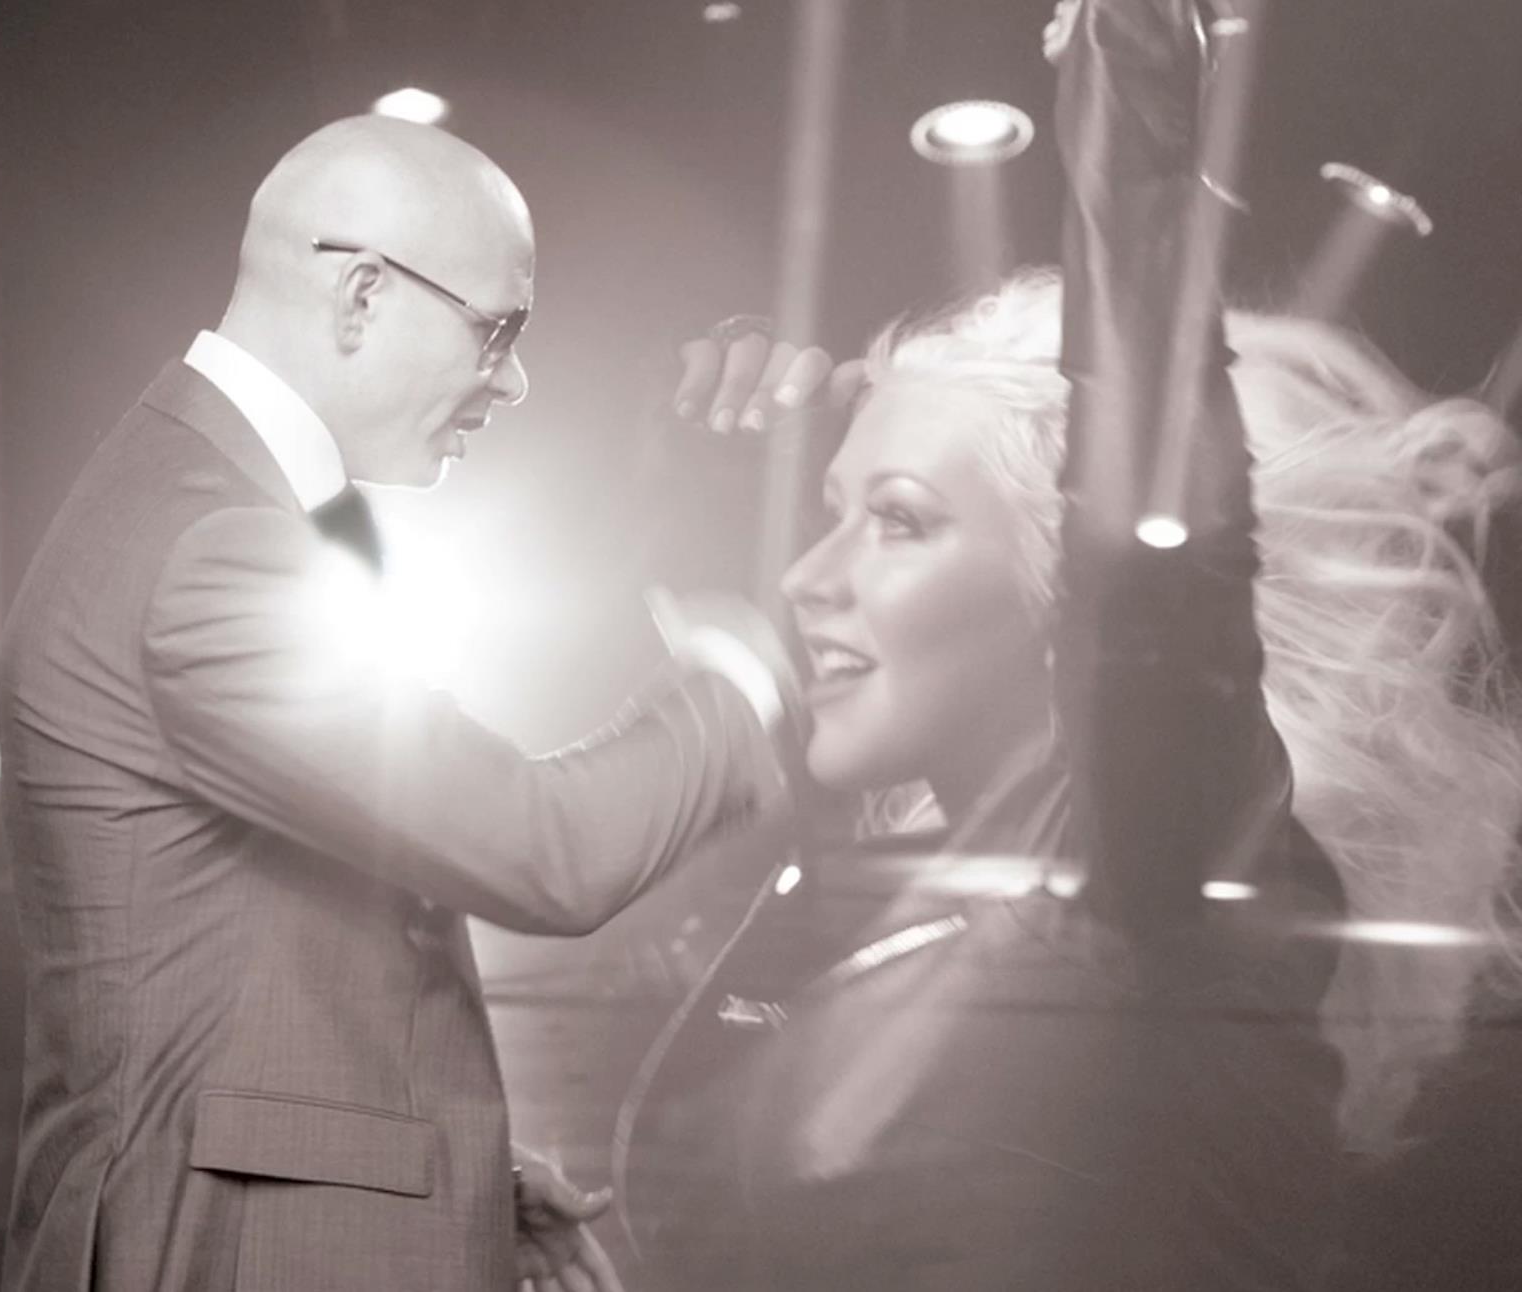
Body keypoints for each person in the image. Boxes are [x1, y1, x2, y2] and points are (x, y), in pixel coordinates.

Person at [618, 1, 1522, 1288]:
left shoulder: (1159, 859)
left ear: (1069, 580)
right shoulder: (902, 906)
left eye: (901, 520)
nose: (809, 577)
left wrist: (1131, 92)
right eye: (831, 516)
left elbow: (1154, 535)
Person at [0, 115, 800, 1292]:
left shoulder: (197, 499)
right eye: (498, 329)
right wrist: (745, 676)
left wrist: (456, 1176)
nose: (513, 378)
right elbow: (547, 847)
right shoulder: (220, 552)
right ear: (363, 293)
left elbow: (241, 978)